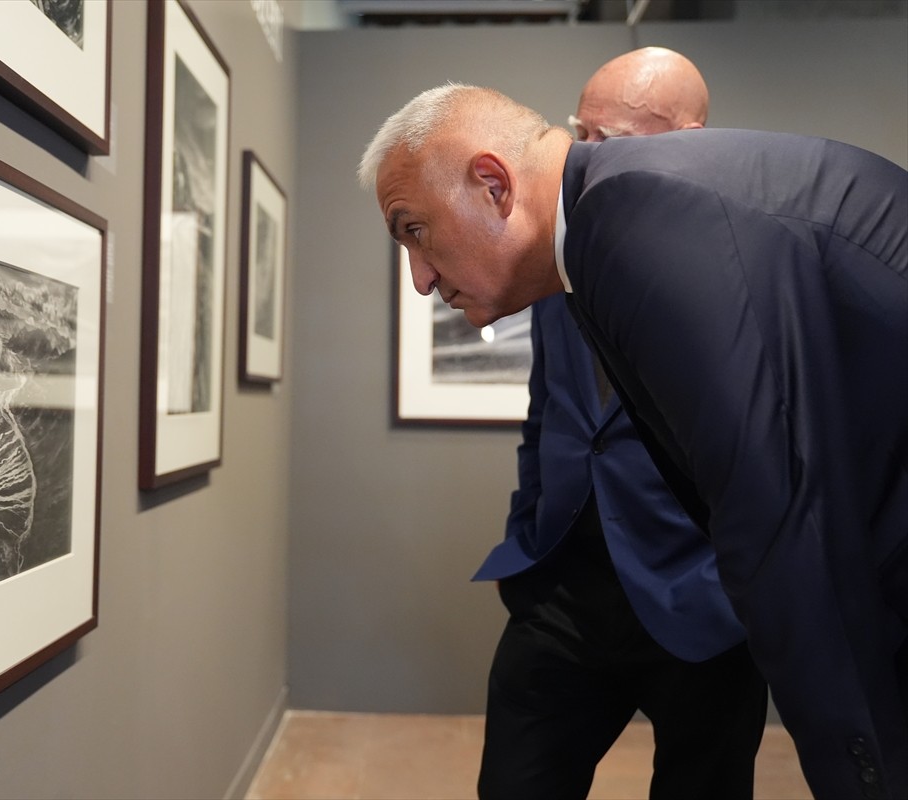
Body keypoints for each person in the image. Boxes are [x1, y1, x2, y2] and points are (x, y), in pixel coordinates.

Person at [357, 81, 908, 799]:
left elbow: (778, 515)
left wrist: (864, 777)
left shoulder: (631, 212)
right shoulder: (597, 240)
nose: (420, 278)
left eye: (415, 230)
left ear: (493, 184)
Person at [470, 48, 768, 800]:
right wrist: (529, 531)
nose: (585, 155)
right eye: (580, 133)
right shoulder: (554, 257)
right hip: (560, 597)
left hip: (704, 607)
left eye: (611, 139)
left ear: (690, 139)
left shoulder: (750, 265)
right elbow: (547, 413)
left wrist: (739, 590)